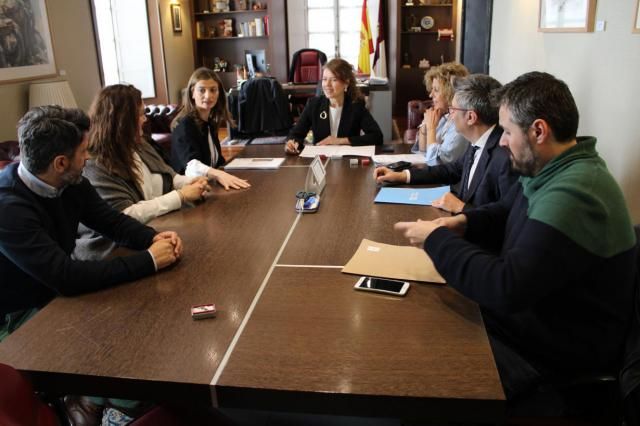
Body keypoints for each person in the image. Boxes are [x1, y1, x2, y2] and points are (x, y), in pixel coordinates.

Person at [395, 72, 637, 402]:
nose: (503, 141)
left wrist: (435, 240)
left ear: (538, 130)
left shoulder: (575, 192)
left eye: (507, 131)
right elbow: (505, 210)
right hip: (533, 323)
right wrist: (461, 223)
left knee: (417, 363)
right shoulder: (552, 168)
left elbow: (506, 287)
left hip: (552, 356)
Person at [0, 105, 183, 342]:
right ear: (60, 163)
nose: (88, 157)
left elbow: (111, 222)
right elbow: (65, 277)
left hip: (57, 292)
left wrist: (153, 237)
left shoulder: (72, 181)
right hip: (19, 313)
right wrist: (149, 260)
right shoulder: (7, 208)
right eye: (84, 151)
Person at [75, 84, 209, 260]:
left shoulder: (138, 144)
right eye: (139, 114)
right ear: (122, 120)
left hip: (152, 232)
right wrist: (181, 196)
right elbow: (124, 216)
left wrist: (191, 182)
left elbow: (169, 177)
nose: (145, 119)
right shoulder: (95, 164)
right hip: (113, 252)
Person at [375, 74, 517, 213]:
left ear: (470, 117)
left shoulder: (505, 157)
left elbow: (505, 218)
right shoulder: (478, 142)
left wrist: (461, 208)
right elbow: (450, 170)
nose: (450, 115)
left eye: (453, 110)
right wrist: (402, 175)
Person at [171, 67, 250, 190]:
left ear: (219, 93)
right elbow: (192, 166)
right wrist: (220, 174)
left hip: (208, 186)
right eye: (202, 90)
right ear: (192, 92)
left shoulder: (210, 123)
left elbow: (216, 162)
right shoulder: (184, 125)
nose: (208, 96)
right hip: (189, 192)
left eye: (213, 90)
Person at [285, 58, 383, 154]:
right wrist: (292, 143)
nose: (327, 84)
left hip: (347, 162)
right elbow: (295, 134)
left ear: (346, 83)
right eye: (324, 79)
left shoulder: (356, 106)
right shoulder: (314, 105)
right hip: (321, 162)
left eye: (334, 80)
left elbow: (377, 137)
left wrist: (340, 141)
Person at [415, 62, 470, 165]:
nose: (431, 95)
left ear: (451, 92)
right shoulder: (445, 117)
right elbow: (422, 151)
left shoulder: (461, 122)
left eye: (436, 90)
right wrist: (425, 126)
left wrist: (431, 129)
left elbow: (436, 162)